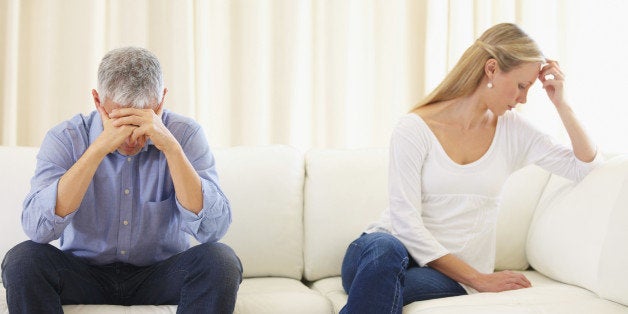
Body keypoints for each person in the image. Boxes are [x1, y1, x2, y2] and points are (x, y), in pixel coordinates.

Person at [339, 23, 601, 314]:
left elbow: (584, 168)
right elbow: (405, 224)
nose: (523, 98)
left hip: (447, 275)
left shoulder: (513, 132)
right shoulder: (414, 128)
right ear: (491, 69)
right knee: (385, 255)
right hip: (379, 252)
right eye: (521, 86)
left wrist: (561, 103)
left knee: (379, 289)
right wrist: (480, 280)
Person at [1, 47, 242, 313]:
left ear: (161, 101)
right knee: (22, 261)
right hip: (83, 273)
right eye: (119, 121)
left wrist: (172, 150)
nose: (131, 139)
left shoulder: (185, 135)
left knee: (221, 261)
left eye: (141, 122)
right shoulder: (66, 138)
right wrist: (98, 149)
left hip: (160, 274)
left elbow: (213, 230)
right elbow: (38, 229)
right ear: (97, 101)